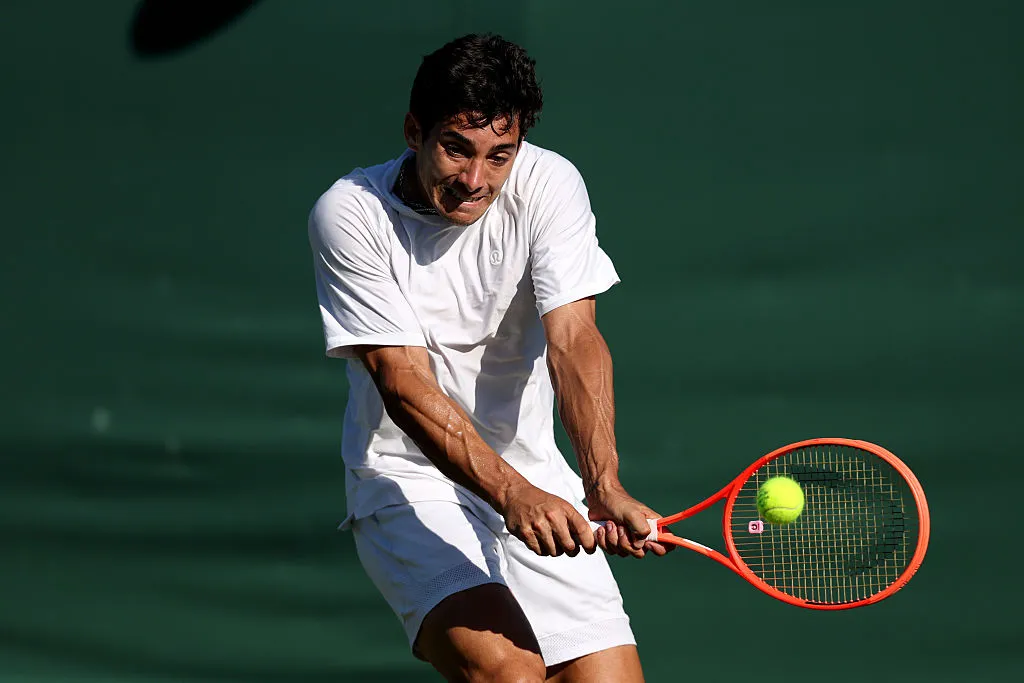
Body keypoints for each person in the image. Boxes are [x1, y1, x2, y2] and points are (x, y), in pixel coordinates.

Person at [307, 33, 670, 683]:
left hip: (538, 478)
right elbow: (402, 380)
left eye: (500, 155)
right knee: (513, 674)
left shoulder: (550, 184)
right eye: (456, 149)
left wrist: (601, 482)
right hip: (407, 485)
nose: (477, 180)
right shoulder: (349, 215)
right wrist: (511, 494)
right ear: (415, 129)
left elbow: (575, 341)